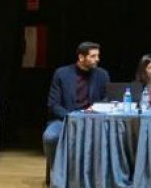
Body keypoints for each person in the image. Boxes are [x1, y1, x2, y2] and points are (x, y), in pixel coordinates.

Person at [43, 41, 110, 179]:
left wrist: (96, 108)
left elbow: (107, 100)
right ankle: (58, 174)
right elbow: (53, 104)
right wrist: (72, 116)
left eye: (97, 56)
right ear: (81, 57)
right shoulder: (61, 74)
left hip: (93, 121)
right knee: (50, 137)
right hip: (65, 119)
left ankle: (99, 178)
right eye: (93, 56)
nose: (97, 59)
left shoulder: (102, 75)